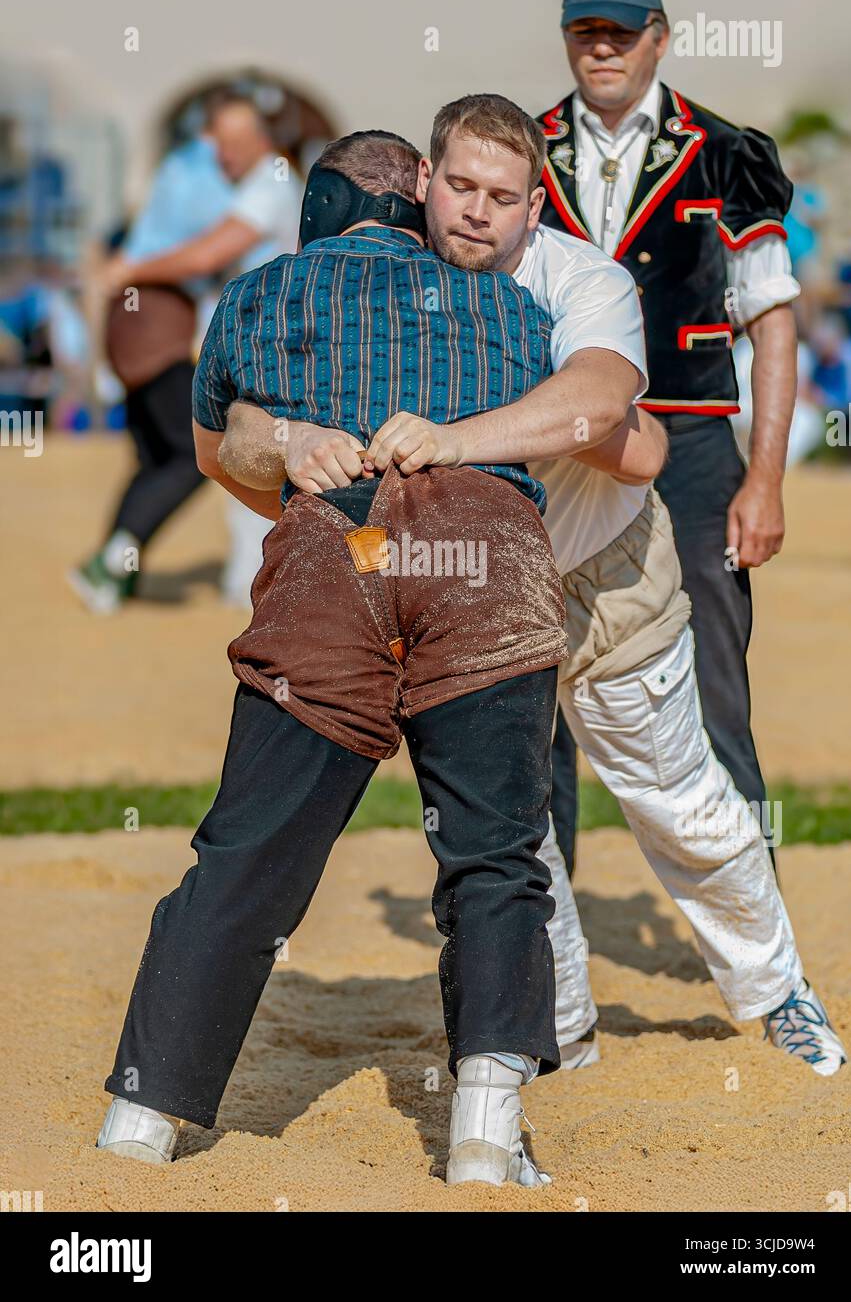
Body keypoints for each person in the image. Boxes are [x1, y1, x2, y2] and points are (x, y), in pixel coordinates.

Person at [224, 95, 847, 1080]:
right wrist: (289, 443)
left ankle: (777, 993)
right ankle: (556, 1026)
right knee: (515, 830)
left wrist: (456, 436)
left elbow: (604, 406)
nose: (477, 210)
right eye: (460, 187)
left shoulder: (579, 277)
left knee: (682, 806)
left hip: (603, 581)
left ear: (532, 206)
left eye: (501, 196)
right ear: (425, 185)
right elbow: (244, 425)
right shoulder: (385, 285)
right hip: (471, 595)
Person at [96, 124, 642, 1188]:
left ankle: (145, 1116)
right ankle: (483, 1133)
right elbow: (631, 431)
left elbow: (221, 452)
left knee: (248, 851)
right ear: (423, 197)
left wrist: (292, 446)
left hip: (335, 549)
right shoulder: (518, 303)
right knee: (493, 854)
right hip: (485, 556)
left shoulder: (262, 292)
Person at [535, 0, 801, 865]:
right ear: (566, 35)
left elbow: (772, 322)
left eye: (619, 30)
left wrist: (761, 477)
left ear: (659, 36)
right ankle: (533, 928)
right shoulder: (520, 151)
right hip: (550, 441)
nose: (601, 47)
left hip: (689, 444)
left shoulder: (728, 154)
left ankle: (753, 922)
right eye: (585, 30)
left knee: (714, 680)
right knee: (528, 676)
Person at [69, 94, 303, 613]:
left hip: (270, 350)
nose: (223, 157)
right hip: (236, 349)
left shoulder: (271, 181)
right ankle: (116, 568)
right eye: (219, 147)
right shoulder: (242, 185)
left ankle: (244, 583)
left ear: (260, 142)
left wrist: (127, 271)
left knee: (219, 455)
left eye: (232, 146)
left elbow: (208, 253)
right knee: (169, 453)